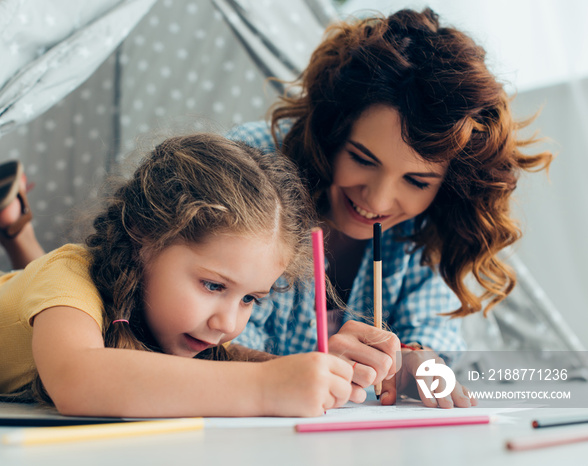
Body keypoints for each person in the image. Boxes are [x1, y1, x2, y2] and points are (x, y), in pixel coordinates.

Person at [226, 8, 553, 408]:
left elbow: (433, 337)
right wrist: (306, 371)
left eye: (416, 182)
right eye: (362, 159)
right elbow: (195, 344)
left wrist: (415, 360)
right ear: (332, 131)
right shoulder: (249, 168)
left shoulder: (428, 227)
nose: (377, 201)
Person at [0, 134, 355, 418]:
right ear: (145, 236)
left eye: (250, 298)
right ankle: (16, 230)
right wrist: (267, 386)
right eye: (213, 286)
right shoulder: (68, 272)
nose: (228, 323)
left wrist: (310, 375)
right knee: (52, 280)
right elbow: (78, 379)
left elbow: (221, 364)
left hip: (34, 299)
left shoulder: (172, 322)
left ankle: (14, 228)